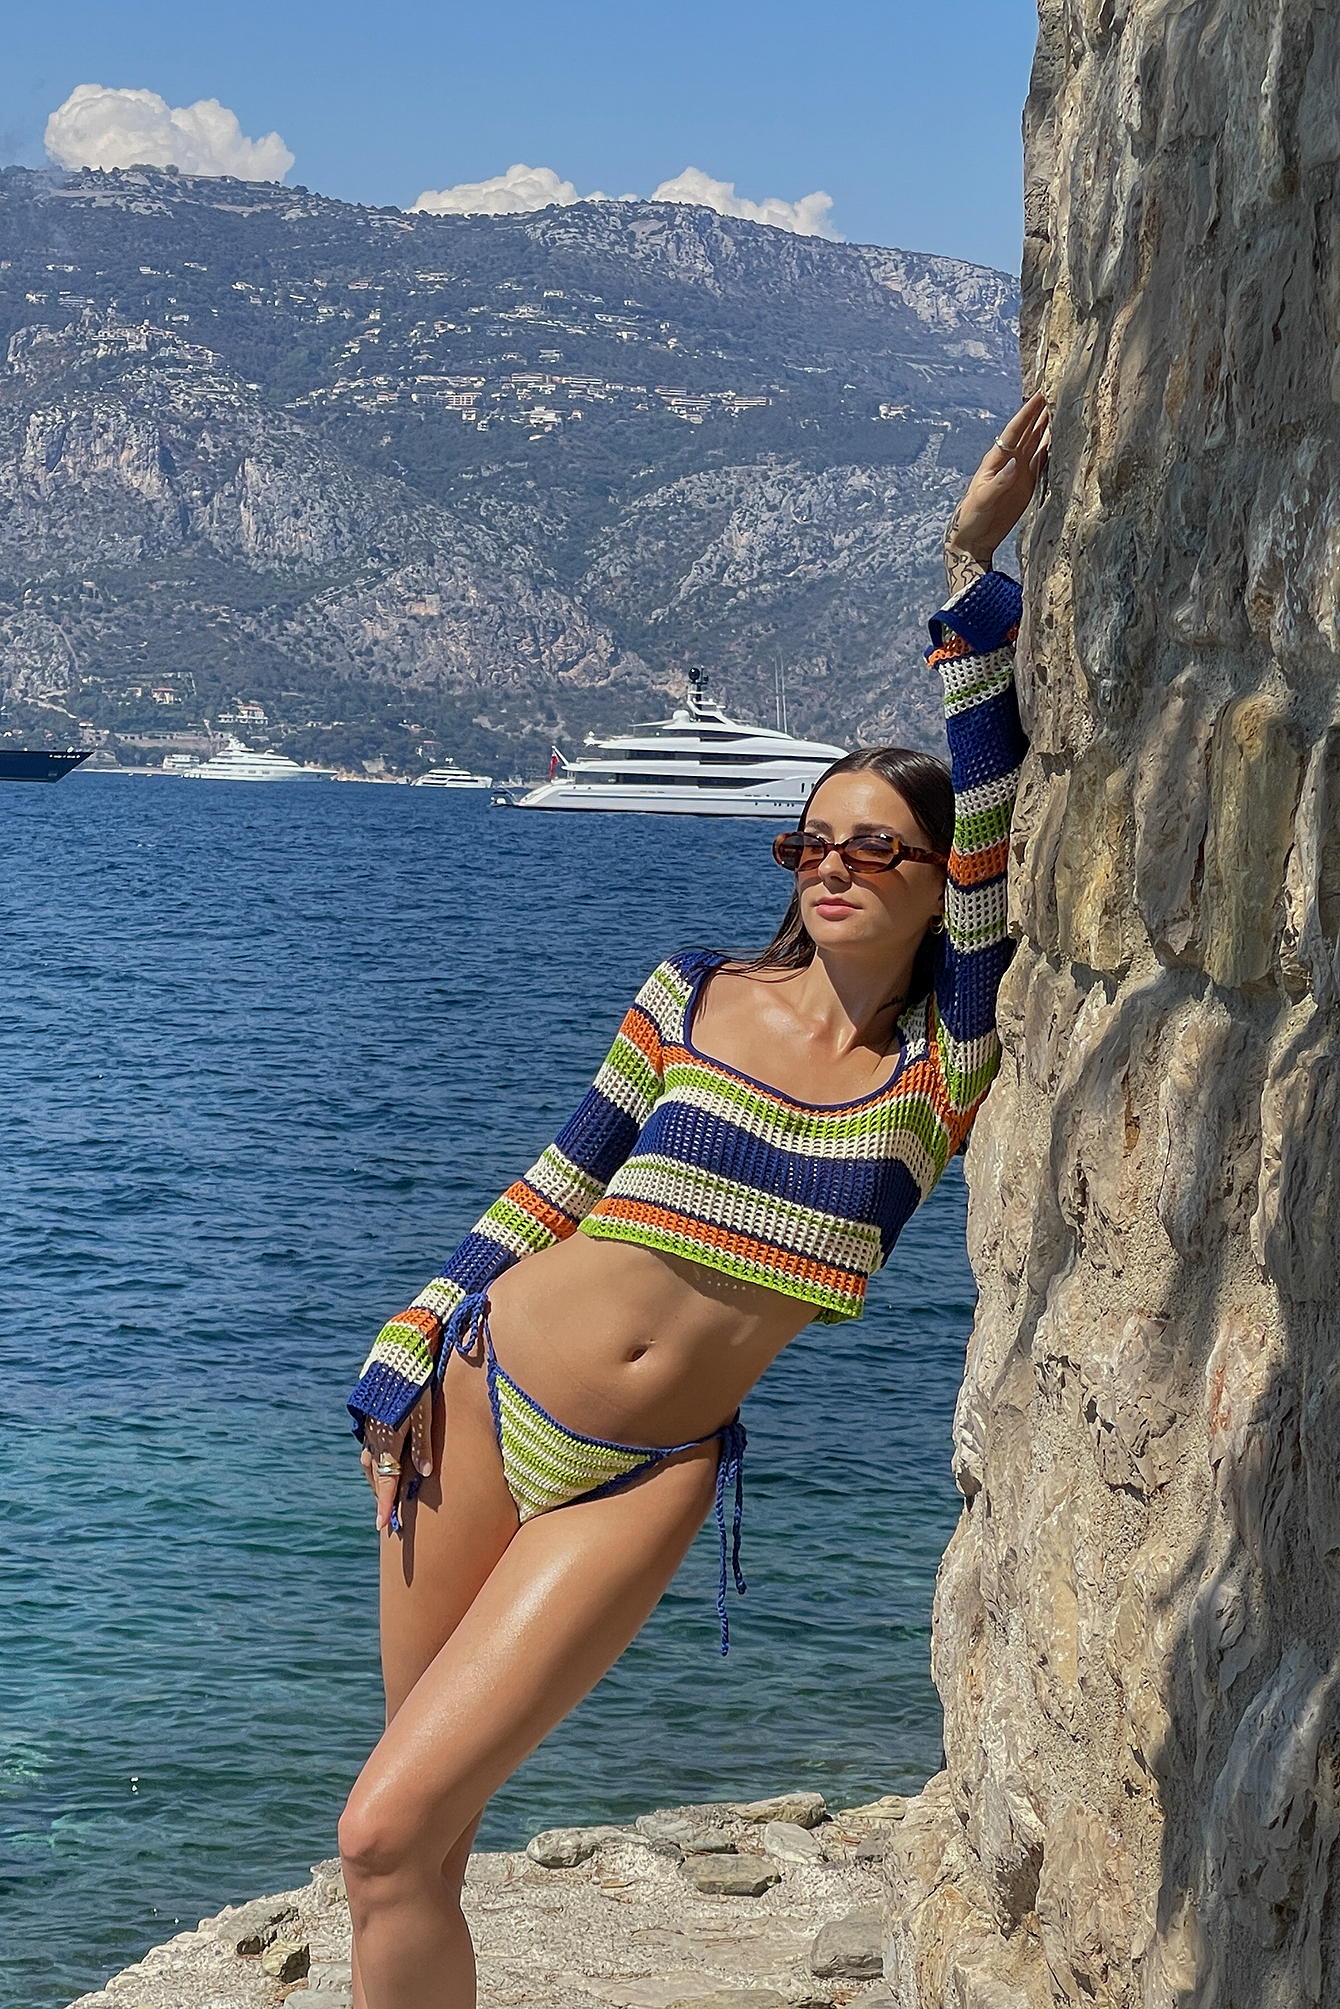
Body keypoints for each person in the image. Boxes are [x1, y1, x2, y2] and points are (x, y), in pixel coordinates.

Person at [339, 392, 1049, 2009]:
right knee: (411, 1839)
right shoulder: (691, 988)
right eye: (813, 842)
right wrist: (416, 1325)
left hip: (640, 1474)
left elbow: (994, 801)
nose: (835, 864)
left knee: (382, 1829)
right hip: (481, 1389)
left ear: (939, 880)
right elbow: (558, 1178)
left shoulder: (940, 1063)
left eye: (877, 848)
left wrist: (969, 570)